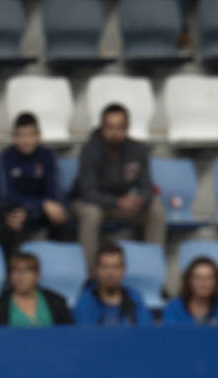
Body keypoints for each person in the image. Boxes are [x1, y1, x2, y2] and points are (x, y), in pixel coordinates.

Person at [71, 104, 166, 272]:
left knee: (156, 209)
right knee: (91, 213)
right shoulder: (90, 150)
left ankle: (153, 271)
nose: (115, 133)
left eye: (120, 128)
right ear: (102, 128)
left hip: (125, 205)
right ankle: (92, 277)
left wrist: (139, 199)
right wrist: (117, 202)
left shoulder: (138, 149)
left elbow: (147, 186)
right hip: (93, 203)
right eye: (110, 128)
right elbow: (88, 192)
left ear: (127, 128)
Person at [0, 113, 68, 261]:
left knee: (59, 215)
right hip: (13, 208)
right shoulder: (6, 156)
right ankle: (8, 274)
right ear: (13, 136)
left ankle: (57, 265)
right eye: (21, 135)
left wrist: (35, 208)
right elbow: (6, 195)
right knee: (9, 218)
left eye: (30, 135)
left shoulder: (48, 156)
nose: (25, 140)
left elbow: (54, 193)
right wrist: (38, 205)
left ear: (39, 135)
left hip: (39, 210)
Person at [0, 252, 73, 327]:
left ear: (37, 275)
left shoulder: (56, 301)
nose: (20, 277)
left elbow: (69, 333)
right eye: (15, 271)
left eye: (26, 271)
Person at [74, 243, 151, 326]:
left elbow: (146, 331)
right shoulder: (86, 301)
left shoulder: (134, 298)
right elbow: (85, 335)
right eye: (105, 267)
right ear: (96, 270)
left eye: (116, 267)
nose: (110, 273)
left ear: (124, 270)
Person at [161, 257, 218, 326]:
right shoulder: (174, 307)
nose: (203, 283)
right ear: (188, 281)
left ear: (217, 282)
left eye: (209, 278)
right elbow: (169, 339)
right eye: (197, 278)